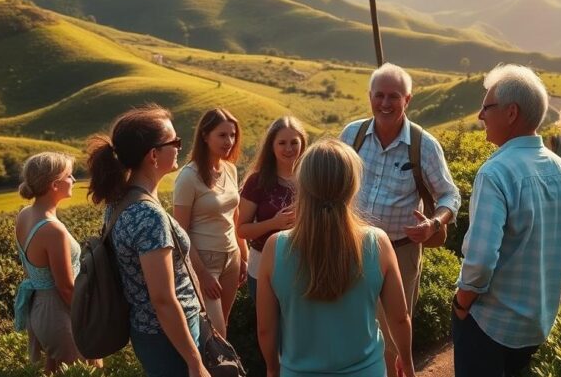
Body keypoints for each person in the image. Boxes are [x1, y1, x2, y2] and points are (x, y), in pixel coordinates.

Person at [454, 64, 561, 377]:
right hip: (536, 325)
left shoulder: (495, 172)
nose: (480, 115)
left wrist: (461, 303)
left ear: (511, 113)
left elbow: (481, 260)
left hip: (491, 325)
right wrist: (548, 298)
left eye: (487, 107)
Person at [340, 63, 461, 376]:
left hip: (400, 250)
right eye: (379, 95)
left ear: (408, 99)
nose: (385, 103)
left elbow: (450, 196)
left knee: (395, 327)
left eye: (393, 96)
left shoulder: (424, 145)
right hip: (351, 246)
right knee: (349, 322)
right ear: (369, 97)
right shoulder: (352, 135)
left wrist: (434, 224)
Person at [256, 139, 415, 377]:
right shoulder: (377, 242)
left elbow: (266, 330)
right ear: (352, 186)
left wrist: (272, 368)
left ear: (303, 186)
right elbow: (400, 318)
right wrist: (407, 363)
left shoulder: (275, 247)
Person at [87, 105, 209, 377]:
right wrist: (194, 362)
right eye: (174, 142)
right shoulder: (148, 216)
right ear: (154, 155)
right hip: (169, 336)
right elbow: (163, 299)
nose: (180, 146)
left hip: (149, 332)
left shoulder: (120, 199)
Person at [13, 152, 100, 374]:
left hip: (39, 308)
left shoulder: (25, 215)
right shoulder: (53, 229)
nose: (73, 181)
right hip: (60, 312)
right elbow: (66, 287)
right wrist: (89, 320)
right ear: (54, 184)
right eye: (69, 176)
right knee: (91, 370)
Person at [173, 108, 248, 337]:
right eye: (222, 135)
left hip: (231, 258)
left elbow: (235, 217)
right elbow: (180, 233)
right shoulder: (188, 177)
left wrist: (243, 256)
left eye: (232, 135)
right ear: (205, 136)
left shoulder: (230, 170)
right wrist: (202, 274)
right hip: (205, 260)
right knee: (216, 333)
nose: (229, 141)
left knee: (222, 327)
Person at [238, 116, 308, 300]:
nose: (288, 149)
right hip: (263, 266)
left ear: (303, 143)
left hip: (303, 267)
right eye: (282, 143)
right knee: (268, 327)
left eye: (294, 142)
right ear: (272, 146)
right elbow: (242, 230)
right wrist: (273, 223)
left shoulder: (311, 179)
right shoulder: (257, 182)